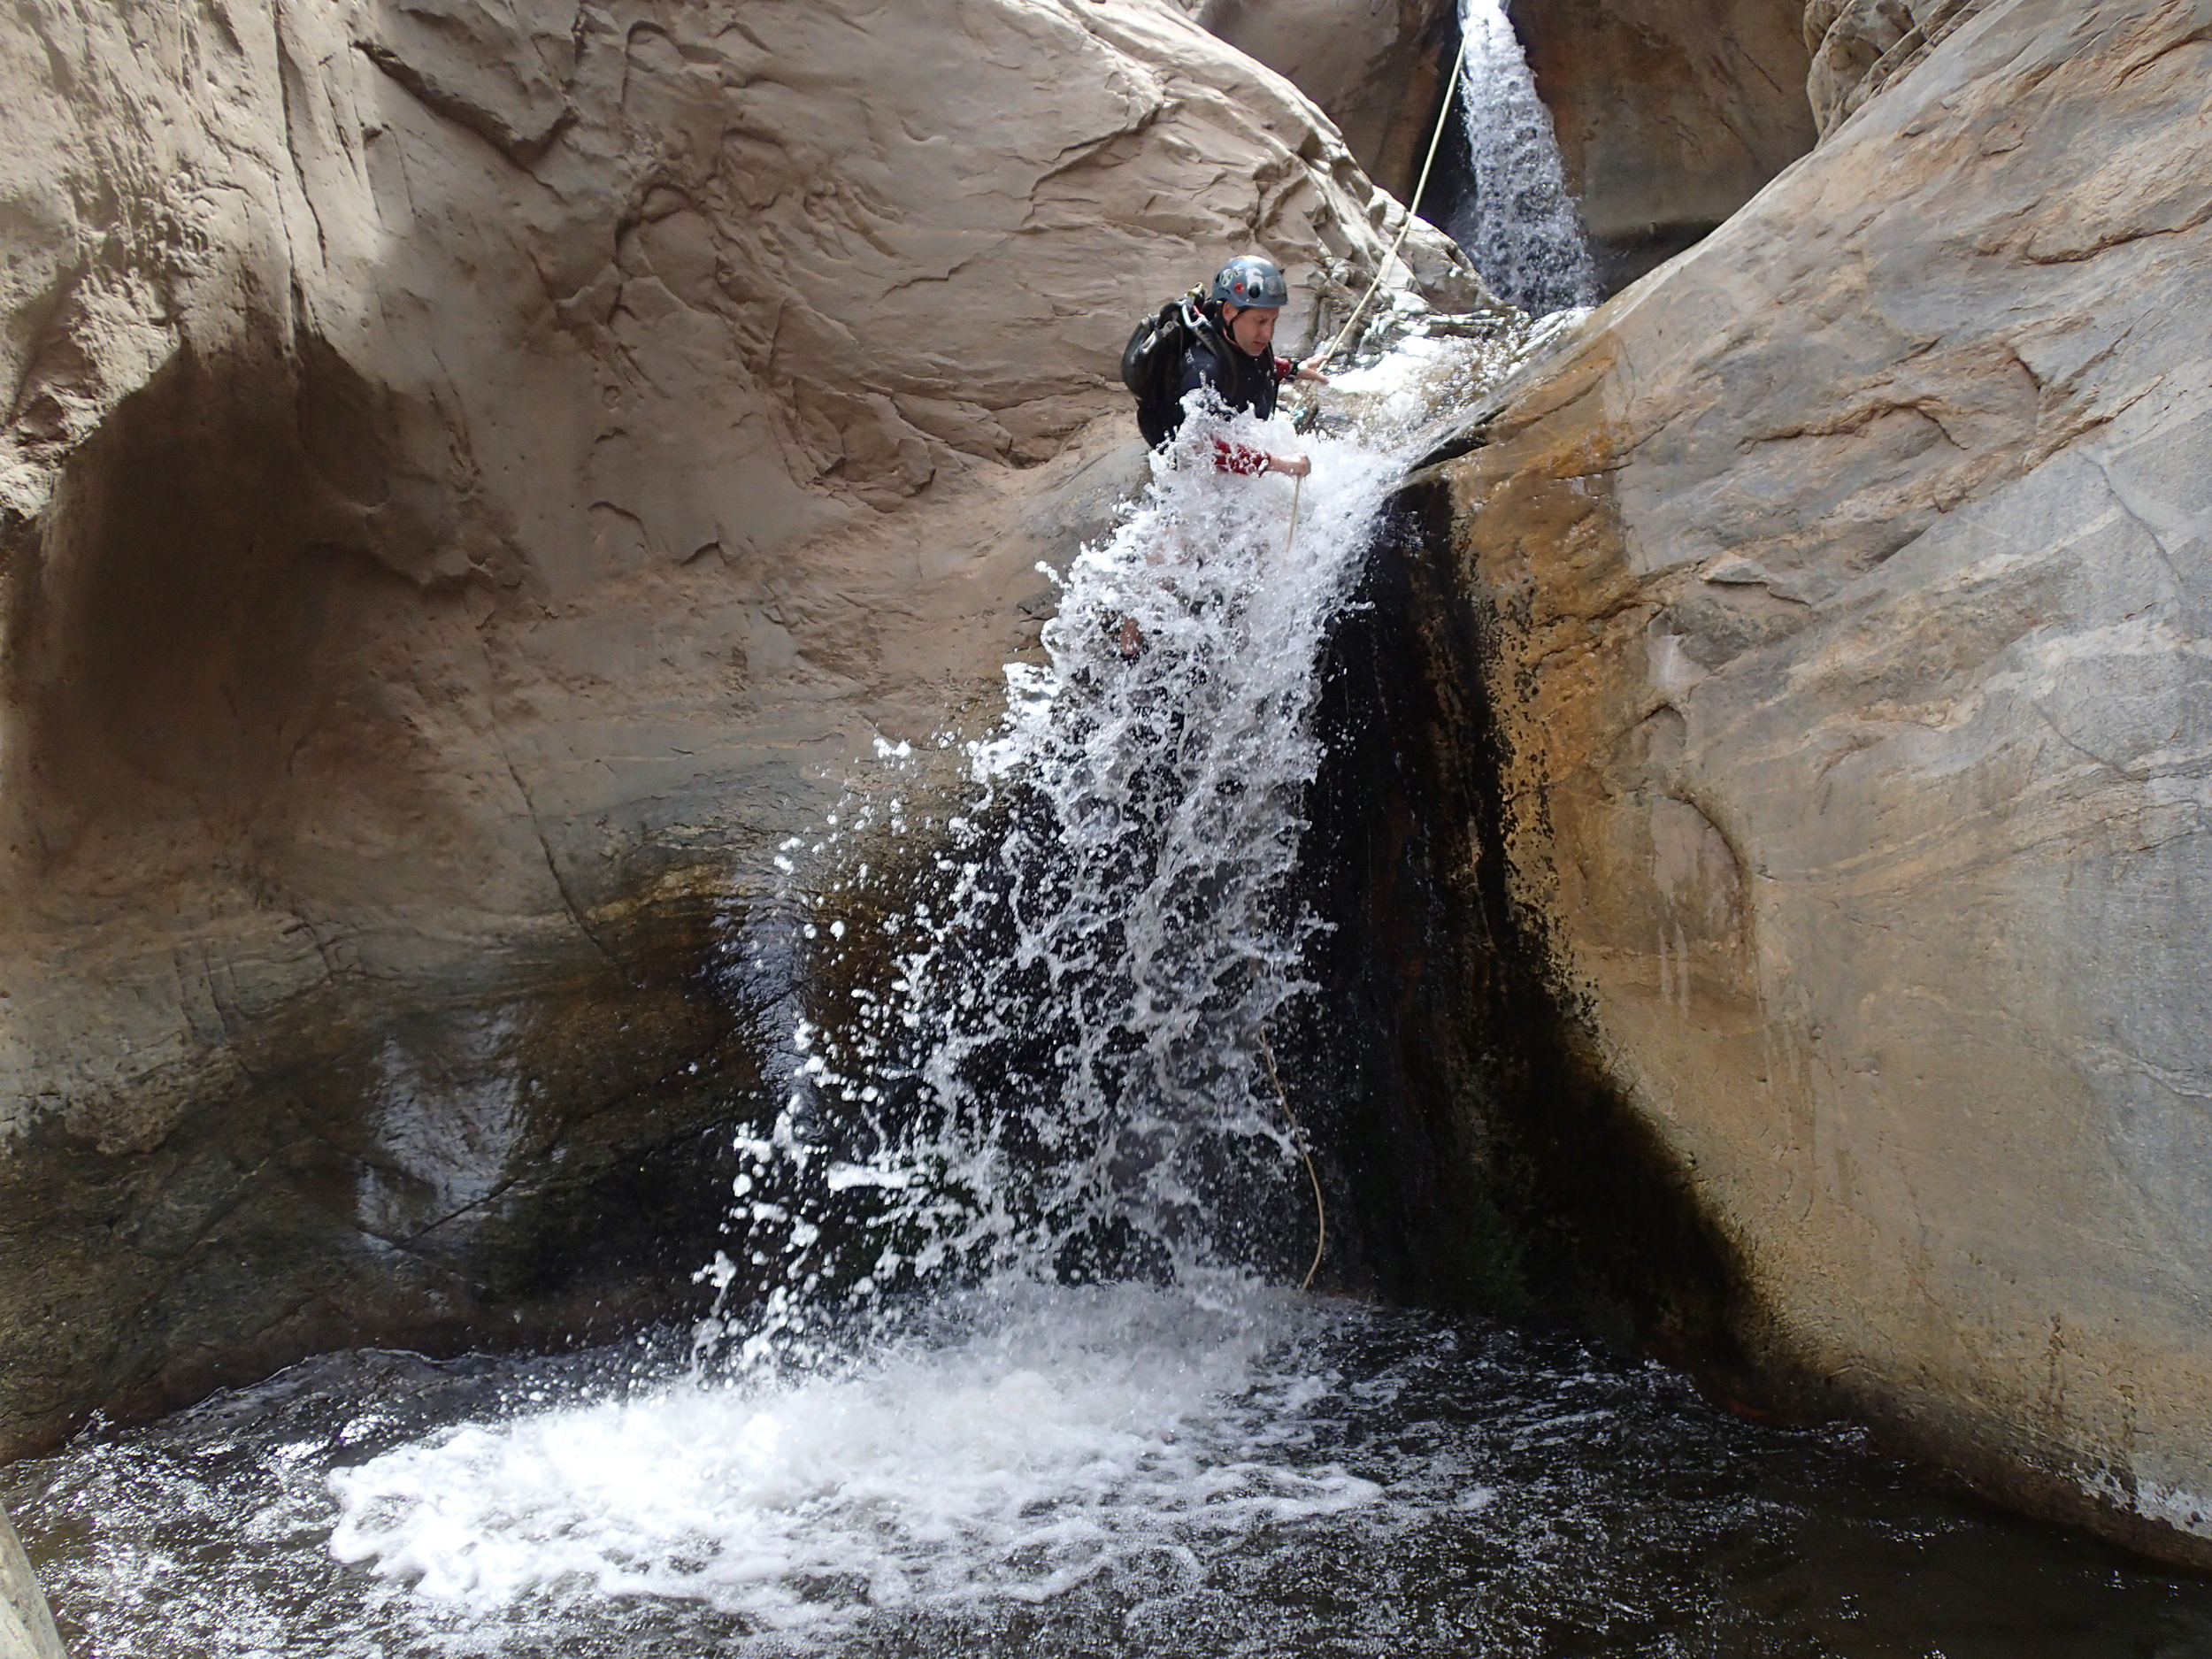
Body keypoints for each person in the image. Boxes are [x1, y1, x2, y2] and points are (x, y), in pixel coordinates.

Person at [1158, 255, 1331, 477]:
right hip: (1195, 477)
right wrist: (1276, 463)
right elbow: (1200, 445)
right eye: (1260, 321)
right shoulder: (1203, 369)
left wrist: (1292, 369)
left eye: (1273, 321)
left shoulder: (1236, 338)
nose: (1268, 334)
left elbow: (1246, 367)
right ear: (1229, 311)